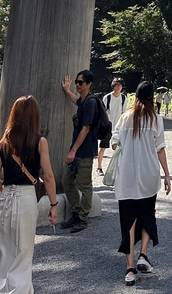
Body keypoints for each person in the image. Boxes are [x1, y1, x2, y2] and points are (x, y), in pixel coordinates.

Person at [0, 95, 58, 294]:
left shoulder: (4, 142)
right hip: (26, 198)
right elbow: (48, 176)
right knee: (22, 254)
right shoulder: (40, 141)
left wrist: (6, 192)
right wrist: (53, 204)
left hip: (5, 197)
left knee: (1, 252)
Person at [111, 81, 171, 286]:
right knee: (147, 215)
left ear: (135, 97)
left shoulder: (125, 117)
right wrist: (167, 175)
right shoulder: (156, 119)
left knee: (128, 221)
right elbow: (160, 149)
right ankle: (143, 255)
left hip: (126, 177)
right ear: (152, 97)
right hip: (148, 176)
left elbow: (114, 141)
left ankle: (129, 268)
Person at [60, 70, 100, 232]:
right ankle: (76, 212)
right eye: (76, 82)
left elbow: (86, 128)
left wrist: (73, 151)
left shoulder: (91, 102)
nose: (77, 85)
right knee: (67, 181)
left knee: (84, 185)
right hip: (76, 150)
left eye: (80, 82)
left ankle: (83, 218)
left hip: (84, 151)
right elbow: (77, 101)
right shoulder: (83, 101)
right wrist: (67, 90)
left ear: (89, 84)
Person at [97, 77, 127, 175]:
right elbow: (102, 112)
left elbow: (125, 112)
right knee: (103, 147)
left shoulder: (123, 98)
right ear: (113, 86)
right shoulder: (108, 97)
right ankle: (99, 167)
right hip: (108, 126)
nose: (118, 87)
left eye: (120, 85)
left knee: (119, 148)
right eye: (116, 85)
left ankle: (119, 168)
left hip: (119, 127)